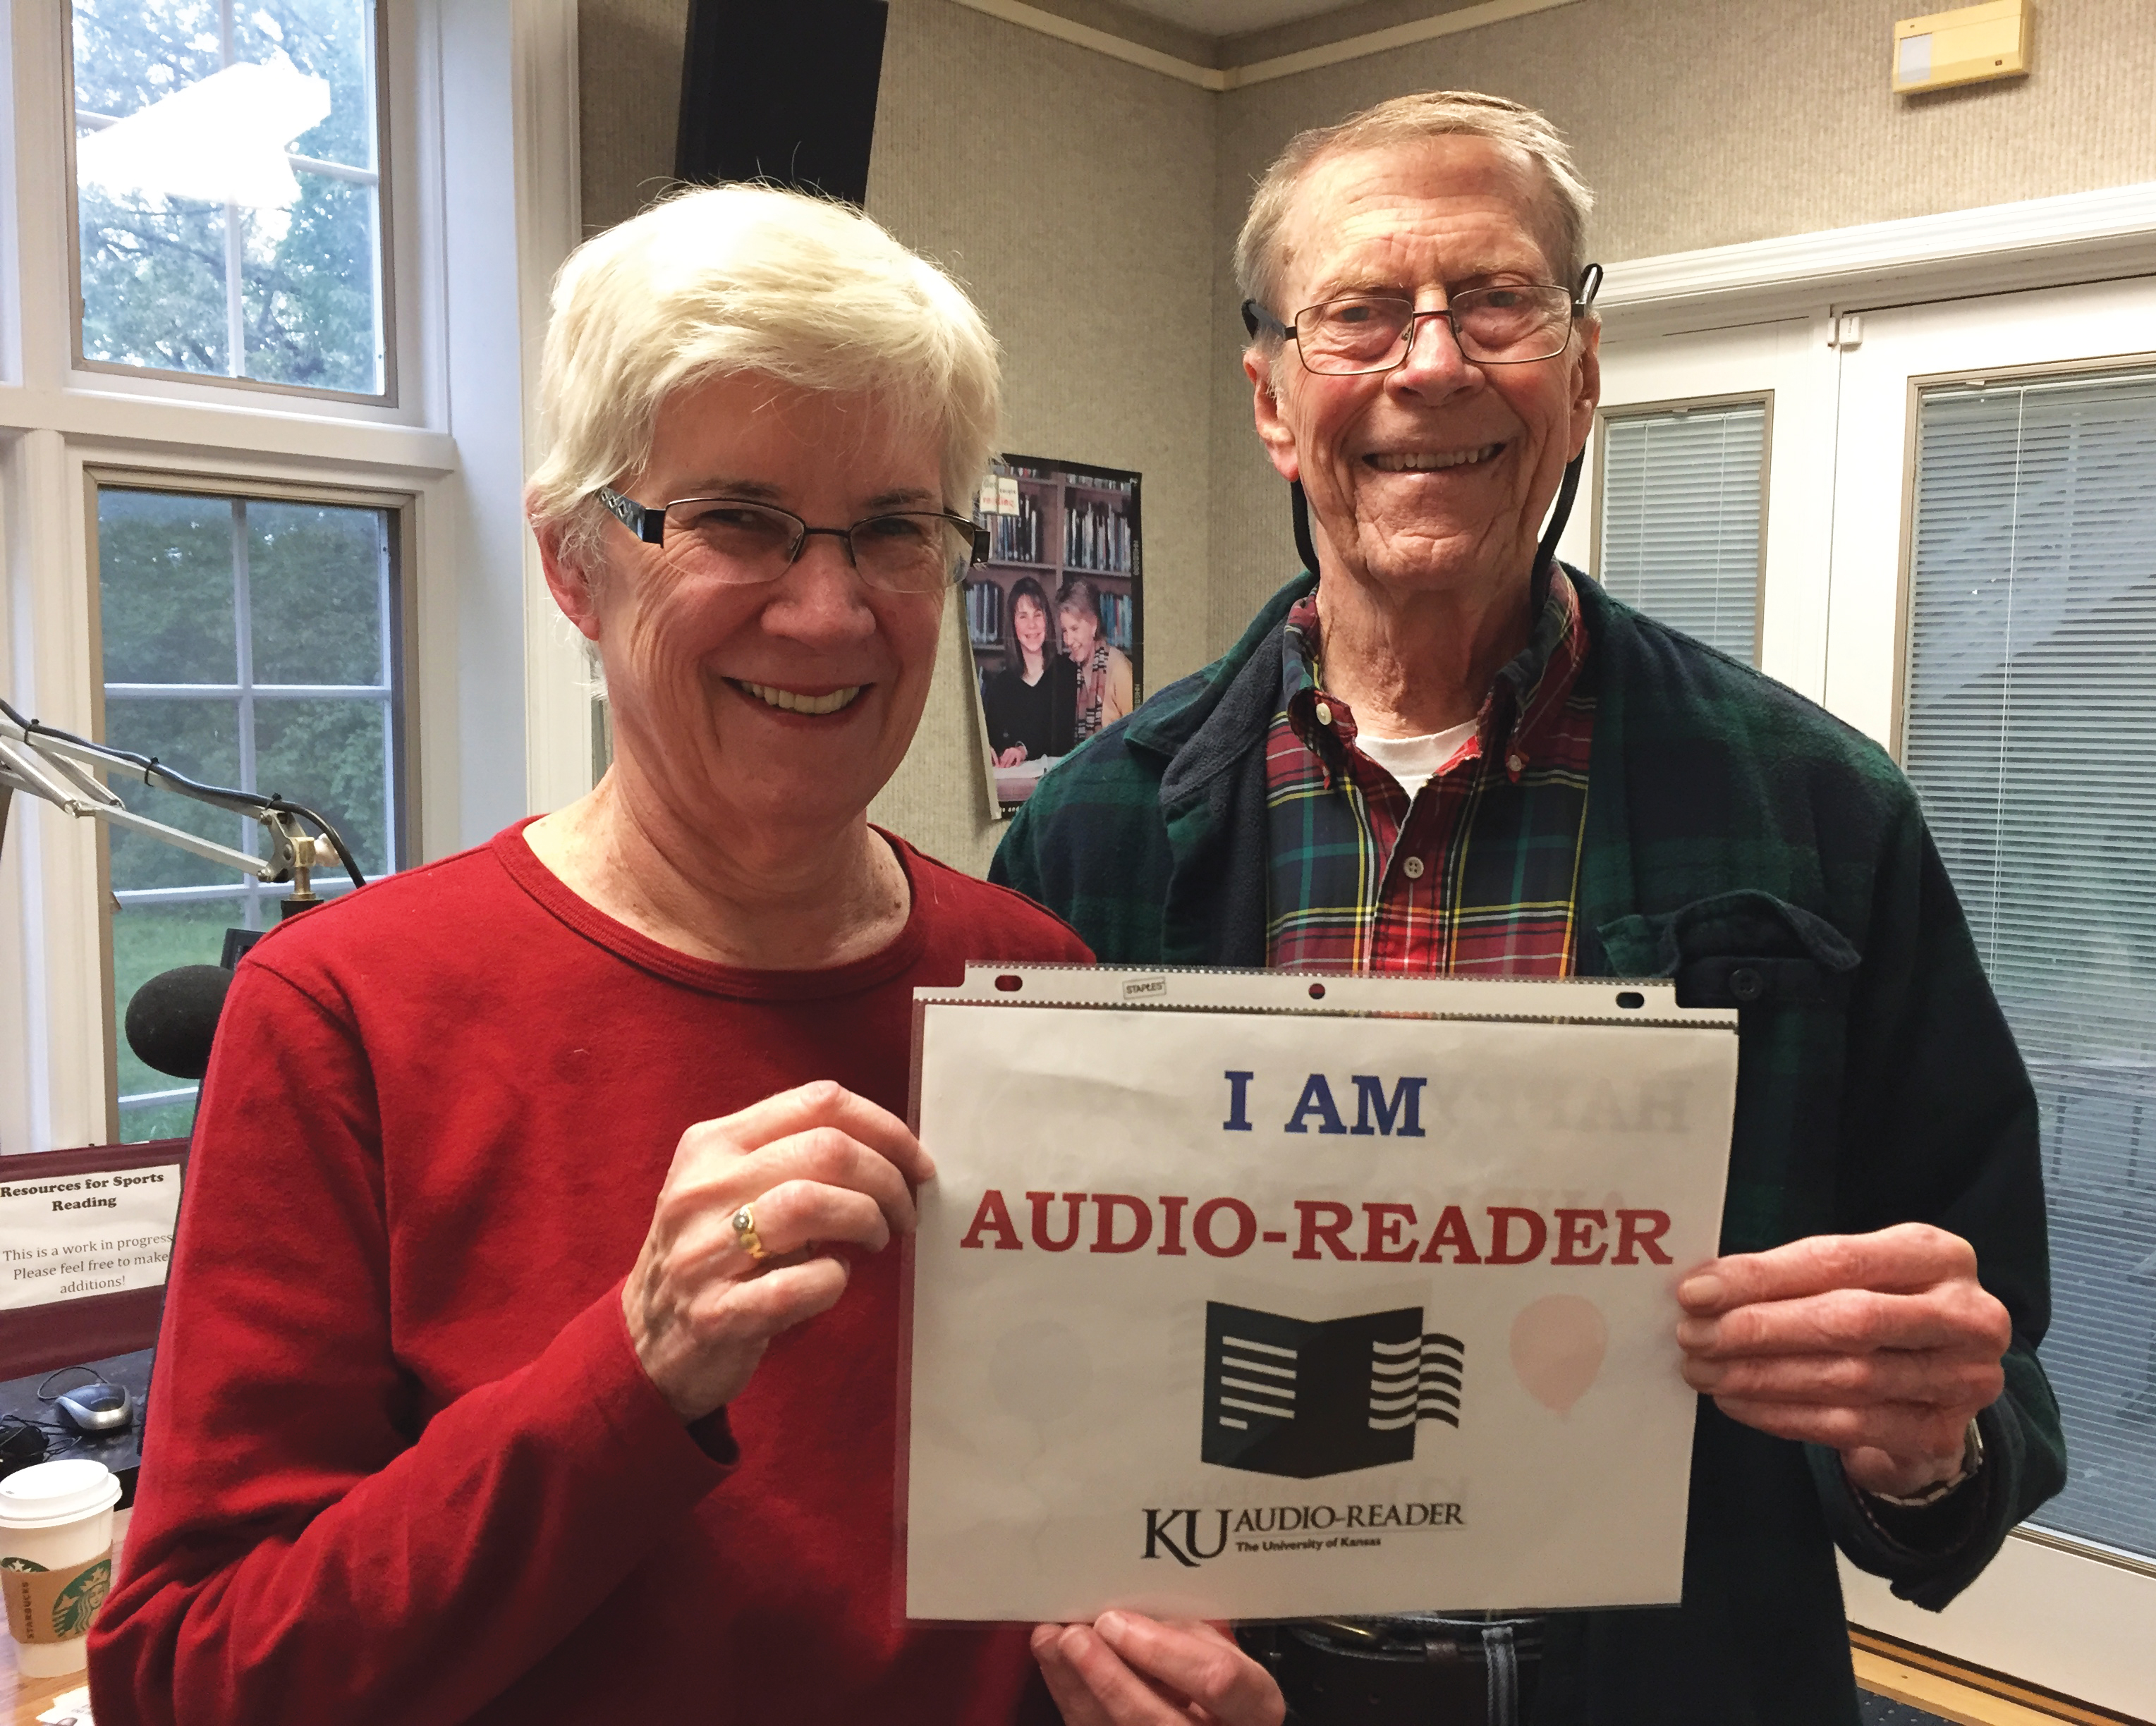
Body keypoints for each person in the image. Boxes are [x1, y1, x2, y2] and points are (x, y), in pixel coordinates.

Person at [89, 185, 1281, 1726]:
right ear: (576, 564)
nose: (829, 607)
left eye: (897, 532)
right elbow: (191, 1678)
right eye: (737, 520)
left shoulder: (1028, 977)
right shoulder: (345, 1015)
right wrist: (632, 1378)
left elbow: (1074, 1552)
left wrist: (1153, 1668)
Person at [992, 92, 2064, 1725]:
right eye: (1358, 312)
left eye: (1495, 301)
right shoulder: (1094, 833)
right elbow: (1012, 1347)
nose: (1431, 363)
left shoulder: (1821, 818)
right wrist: (1062, 1583)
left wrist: (1931, 1442)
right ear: (1272, 399)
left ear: (1580, 374)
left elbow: (1995, 1356)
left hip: (1678, 1680)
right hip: (1238, 1694)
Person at [982, 575, 1077, 766]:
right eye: (1023, 616)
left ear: (1047, 620)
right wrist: (988, 749)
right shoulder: (1001, 686)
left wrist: (1024, 750)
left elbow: (1064, 738)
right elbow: (991, 740)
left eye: (1037, 614)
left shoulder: (1068, 673)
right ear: (1013, 625)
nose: (1032, 625)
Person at [1055, 577, 1135, 742]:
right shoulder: (1066, 668)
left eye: (1075, 629)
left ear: (1093, 625)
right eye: (1064, 631)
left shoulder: (1120, 669)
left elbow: (1136, 735)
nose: (1068, 640)